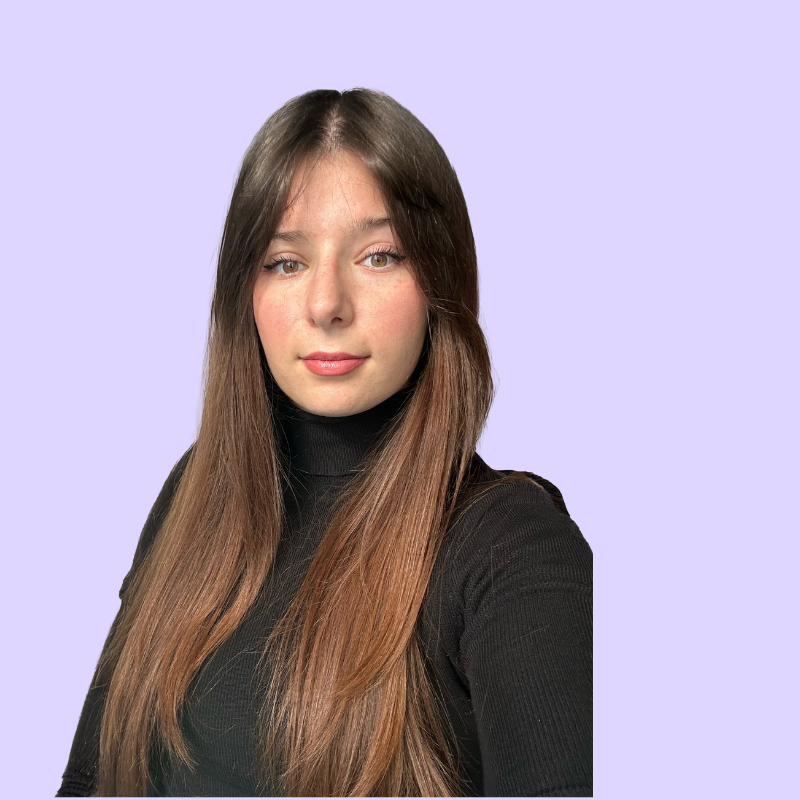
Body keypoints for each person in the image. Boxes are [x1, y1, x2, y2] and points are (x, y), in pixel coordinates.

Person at [57, 88, 593, 798]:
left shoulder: (512, 553)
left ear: (440, 281)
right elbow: (90, 782)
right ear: (244, 292)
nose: (326, 304)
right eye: (287, 262)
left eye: (379, 256)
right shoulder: (195, 495)